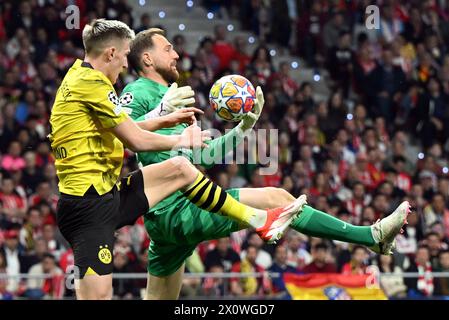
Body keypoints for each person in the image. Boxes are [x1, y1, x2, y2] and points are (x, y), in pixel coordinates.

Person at [121, 27, 412, 299]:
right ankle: (370, 237)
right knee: (279, 198)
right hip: (177, 210)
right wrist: (158, 112)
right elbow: (120, 134)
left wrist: (242, 128)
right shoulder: (140, 91)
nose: (176, 55)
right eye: (168, 48)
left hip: (171, 212)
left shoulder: (175, 98)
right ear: (147, 58)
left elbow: (201, 156)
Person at [49, 19, 303, 300]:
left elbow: (125, 130)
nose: (124, 66)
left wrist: (164, 117)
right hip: (88, 206)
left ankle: (257, 219)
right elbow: (134, 140)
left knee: (181, 168)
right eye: (122, 57)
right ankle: (258, 218)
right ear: (110, 54)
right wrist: (178, 139)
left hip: (109, 194)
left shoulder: (79, 76)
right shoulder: (92, 84)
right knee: (98, 298)